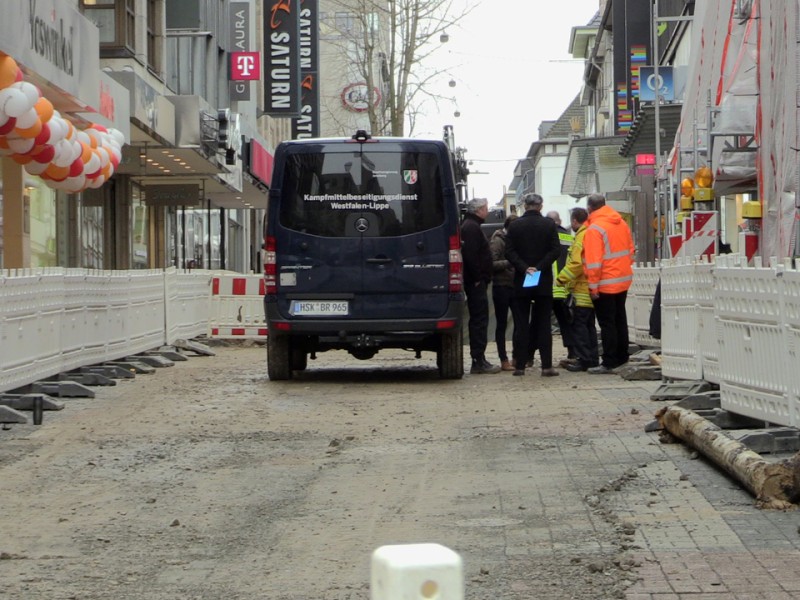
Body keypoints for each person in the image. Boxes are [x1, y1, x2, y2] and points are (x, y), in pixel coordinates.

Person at [505, 193, 562, 377]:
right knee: (543, 324)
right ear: (540, 206)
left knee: (521, 324)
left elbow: (509, 252)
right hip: (542, 281)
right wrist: (538, 268)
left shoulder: (514, 226)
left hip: (522, 281)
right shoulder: (548, 225)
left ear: (525, 205)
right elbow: (555, 250)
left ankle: (520, 366)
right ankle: (546, 366)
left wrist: (524, 268)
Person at [583, 193, 635, 374]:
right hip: (622, 279)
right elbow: (630, 250)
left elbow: (594, 262)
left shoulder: (594, 229)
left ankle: (609, 361)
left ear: (589, 208)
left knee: (607, 323)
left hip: (604, 282)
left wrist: (593, 286)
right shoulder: (620, 223)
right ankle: (622, 357)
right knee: (620, 319)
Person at [461, 197, 502, 375]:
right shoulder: (471, 228)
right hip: (475, 283)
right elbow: (471, 255)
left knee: (480, 319)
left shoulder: (471, 226)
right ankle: (478, 360)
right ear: (479, 210)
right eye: (486, 208)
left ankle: (480, 358)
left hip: (476, 281)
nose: (488, 211)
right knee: (479, 320)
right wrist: (478, 277)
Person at [556, 207, 599, 372]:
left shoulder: (581, 236)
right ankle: (592, 358)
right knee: (589, 325)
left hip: (582, 287)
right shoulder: (590, 233)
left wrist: (561, 279)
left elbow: (576, 263)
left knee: (580, 326)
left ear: (574, 220)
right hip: (591, 285)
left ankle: (584, 360)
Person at [546, 210, 577, 366]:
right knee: (566, 322)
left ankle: (529, 356)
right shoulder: (569, 238)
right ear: (559, 221)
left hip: (546, 287)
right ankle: (572, 351)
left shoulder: (543, 237)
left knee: (539, 323)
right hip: (563, 286)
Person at [489, 214, 518, 371]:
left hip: (515, 285)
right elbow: (491, 264)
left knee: (519, 323)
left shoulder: (515, 239)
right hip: (501, 286)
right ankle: (503, 359)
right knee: (501, 324)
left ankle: (516, 356)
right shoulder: (498, 240)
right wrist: (510, 263)